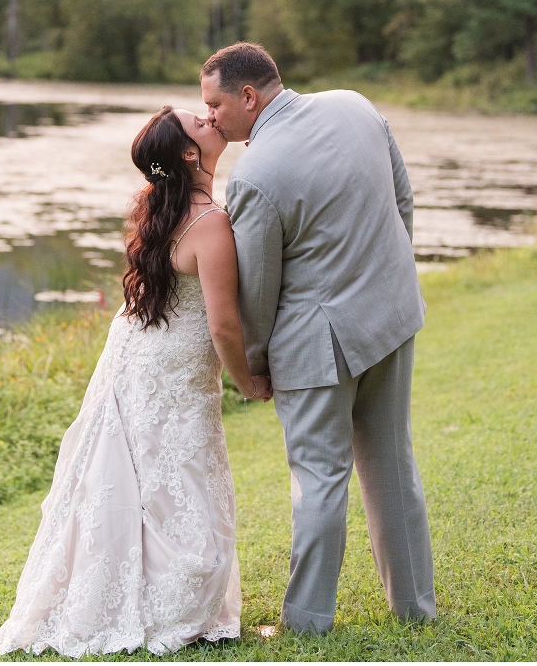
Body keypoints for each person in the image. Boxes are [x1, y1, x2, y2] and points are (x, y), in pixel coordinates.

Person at [0, 105, 271, 659]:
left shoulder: (156, 210)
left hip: (137, 352)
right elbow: (223, 321)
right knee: (177, 473)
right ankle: (170, 602)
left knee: (145, 473)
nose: (212, 120)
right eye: (201, 122)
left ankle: (140, 592)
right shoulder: (208, 221)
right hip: (172, 365)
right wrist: (247, 380)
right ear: (189, 154)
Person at [200, 42, 436, 635]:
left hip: (317, 345)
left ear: (248, 96)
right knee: (392, 463)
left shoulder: (254, 174)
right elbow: (402, 202)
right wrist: (386, 282)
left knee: (318, 478)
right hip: (392, 316)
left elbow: (257, 292)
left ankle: (305, 622)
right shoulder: (355, 105)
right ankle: (414, 608)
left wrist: (253, 369)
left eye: (215, 104)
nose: (211, 118)